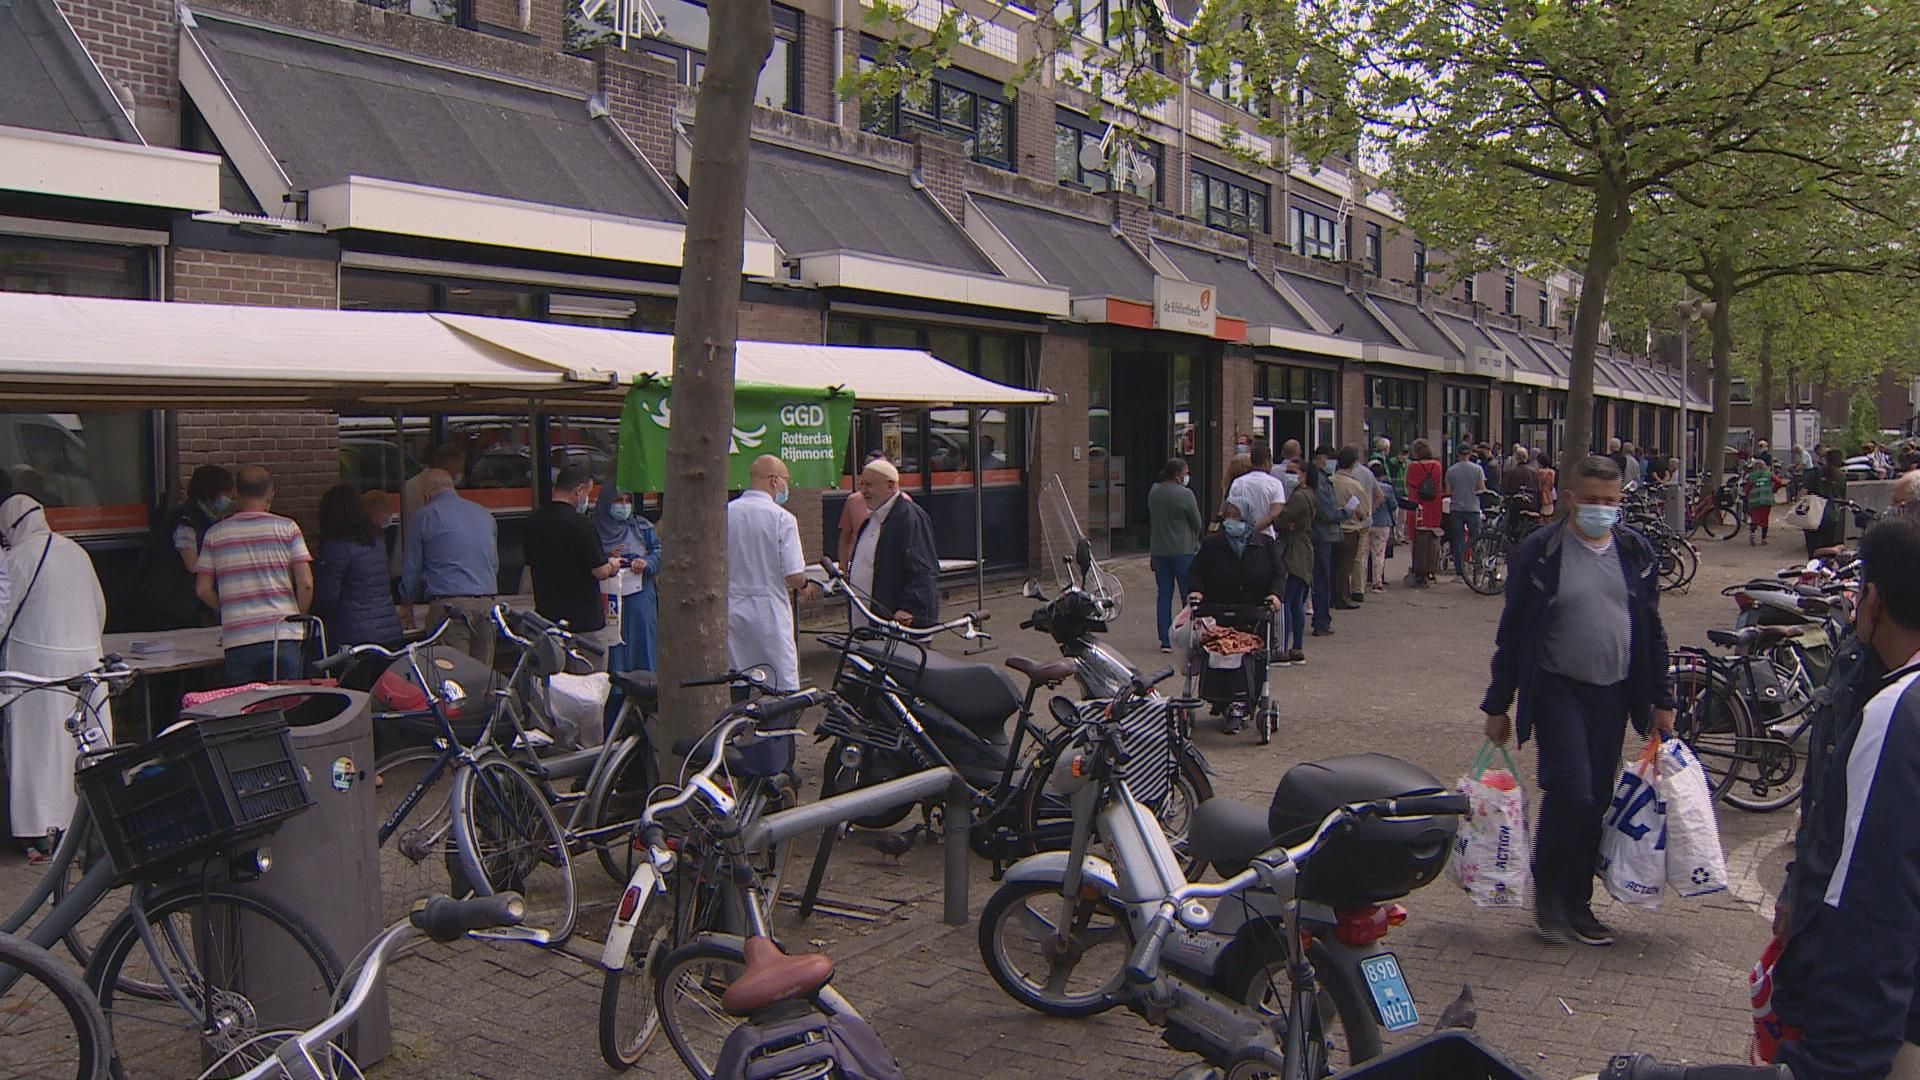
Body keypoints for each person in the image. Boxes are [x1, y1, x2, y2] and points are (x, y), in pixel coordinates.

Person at [1481, 455, 1675, 947]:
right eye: (1593, 502)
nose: (1603, 511)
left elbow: (1651, 629)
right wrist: (1497, 704)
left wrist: (1661, 700)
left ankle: (1579, 902)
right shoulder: (1542, 552)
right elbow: (1514, 631)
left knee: (1599, 799)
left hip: (1613, 690)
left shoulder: (1635, 552)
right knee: (1571, 790)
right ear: (1570, 500)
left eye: (1612, 502)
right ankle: (1550, 899)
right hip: (1557, 688)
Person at [1770, 515, 1920, 1079]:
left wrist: (1835, 1061)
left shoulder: (1895, 715)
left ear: (1873, 599)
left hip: (1892, 1025)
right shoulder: (1871, 682)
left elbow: (1874, 906)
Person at [0, 495, 110, 854]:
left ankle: (38, 831)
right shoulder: (77, 552)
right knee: (77, 747)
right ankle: (83, 826)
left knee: (38, 751)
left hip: (35, 669)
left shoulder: (16, 559)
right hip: (85, 664)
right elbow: (99, 608)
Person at [196, 466, 314, 683]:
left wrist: (228, 607)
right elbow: (305, 583)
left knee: (246, 711)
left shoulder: (215, 535)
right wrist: (297, 616)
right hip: (282, 635)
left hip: (239, 640)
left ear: (236, 494)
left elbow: (202, 589)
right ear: (271, 494)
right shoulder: (288, 528)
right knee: (286, 706)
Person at [1186, 497, 1284, 733]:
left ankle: (1242, 702)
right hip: (1219, 611)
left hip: (1254, 614)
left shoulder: (1265, 544)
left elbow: (1279, 574)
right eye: (1228, 518)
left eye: (1238, 519)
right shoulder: (1212, 545)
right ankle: (1221, 699)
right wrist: (1196, 591)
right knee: (1216, 651)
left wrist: (1275, 595)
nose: (1232, 523)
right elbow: (1195, 572)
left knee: (1250, 655)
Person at [728, 455, 817, 691]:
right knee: (780, 681)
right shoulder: (782, 519)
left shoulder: (726, 513)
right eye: (787, 480)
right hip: (769, 610)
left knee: (737, 679)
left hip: (732, 608)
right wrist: (806, 585)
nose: (787, 487)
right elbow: (793, 575)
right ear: (775, 480)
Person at [399, 468, 499, 663]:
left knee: (453, 678)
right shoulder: (484, 514)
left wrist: (406, 603)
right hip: (487, 607)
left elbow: (412, 568)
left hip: (449, 609)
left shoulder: (423, 517)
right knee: (483, 680)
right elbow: (493, 564)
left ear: (425, 495)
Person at [523, 466, 621, 661]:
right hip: (585, 623)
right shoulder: (581, 524)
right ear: (579, 490)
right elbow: (599, 571)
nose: (588, 499)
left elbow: (529, 564)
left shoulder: (533, 521)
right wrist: (613, 565)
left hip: (548, 617)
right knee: (589, 684)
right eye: (588, 493)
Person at [311, 484, 404, 650]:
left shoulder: (335, 547)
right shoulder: (376, 541)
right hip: (388, 630)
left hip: (353, 636)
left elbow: (327, 600)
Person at [142, 464, 234, 629]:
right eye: (225, 493)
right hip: (171, 600)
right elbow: (191, 564)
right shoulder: (185, 519)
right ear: (211, 491)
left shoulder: (207, 520)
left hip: (184, 602)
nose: (228, 499)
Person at [849, 458, 939, 627]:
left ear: (890, 485)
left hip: (897, 623)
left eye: (869, 485)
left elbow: (923, 568)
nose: (863, 491)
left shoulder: (909, 517)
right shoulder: (872, 519)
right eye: (861, 485)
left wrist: (909, 607)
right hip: (869, 620)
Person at [594, 480, 661, 676]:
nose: (623, 505)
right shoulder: (594, 530)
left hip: (640, 599)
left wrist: (646, 563)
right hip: (610, 600)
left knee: (643, 645)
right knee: (614, 648)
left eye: (627, 501)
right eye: (617, 501)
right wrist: (606, 559)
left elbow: (658, 551)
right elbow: (588, 559)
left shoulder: (642, 527)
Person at [1149, 458, 1203, 653]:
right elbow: (1197, 522)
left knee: (1163, 594)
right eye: (1186, 472)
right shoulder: (1186, 495)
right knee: (1188, 595)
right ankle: (1186, 634)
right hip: (1183, 550)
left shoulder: (1154, 492)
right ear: (1179, 474)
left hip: (1159, 550)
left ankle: (1165, 639)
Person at [393, 444, 466, 580]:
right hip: (425, 568)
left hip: (405, 561)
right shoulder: (438, 489)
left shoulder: (411, 483)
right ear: (448, 469)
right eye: (458, 470)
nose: (459, 475)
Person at [1273, 460, 1315, 665]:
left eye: (1293, 472)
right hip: (1304, 548)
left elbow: (1281, 519)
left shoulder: (1298, 497)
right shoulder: (1309, 495)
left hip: (1294, 550)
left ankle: (1282, 649)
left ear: (1304, 475)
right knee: (1297, 601)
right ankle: (1296, 647)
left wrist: (1281, 519)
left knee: (1286, 600)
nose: (1289, 475)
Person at [1308, 446, 1344, 635]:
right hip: (1321, 535)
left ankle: (1321, 618)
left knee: (1318, 578)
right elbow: (1326, 511)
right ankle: (1321, 620)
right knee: (1322, 577)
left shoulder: (1318, 478)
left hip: (1316, 534)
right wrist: (1346, 513)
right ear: (1322, 458)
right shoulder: (1319, 481)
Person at [1342, 446, 1381, 603]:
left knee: (1343, 557)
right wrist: (1371, 509)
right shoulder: (1367, 473)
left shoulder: (1343, 475)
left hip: (1347, 518)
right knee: (1359, 556)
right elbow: (1379, 495)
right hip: (1365, 520)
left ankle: (1343, 587)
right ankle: (1358, 589)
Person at [1331, 447, 1369, 609]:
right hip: (1349, 530)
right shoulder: (1355, 486)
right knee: (1345, 567)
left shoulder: (1328, 481)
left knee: (1332, 566)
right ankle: (1343, 597)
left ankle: (1331, 596)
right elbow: (1364, 511)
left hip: (1331, 528)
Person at [1404, 439, 1445, 587]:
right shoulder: (1437, 466)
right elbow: (1439, 485)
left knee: (1416, 538)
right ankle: (1431, 569)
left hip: (1417, 505)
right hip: (1434, 505)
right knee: (1432, 537)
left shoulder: (1412, 467)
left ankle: (1418, 569)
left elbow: (1408, 485)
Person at [1227, 442, 1288, 537]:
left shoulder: (1238, 482)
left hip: (1241, 536)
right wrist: (1254, 529)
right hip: (1265, 536)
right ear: (1267, 462)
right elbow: (1275, 513)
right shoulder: (1275, 484)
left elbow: (1230, 509)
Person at [1445, 444, 1487, 580]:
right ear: (1469, 454)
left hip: (1457, 508)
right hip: (1473, 508)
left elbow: (1448, 492)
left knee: (1458, 541)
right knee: (1476, 539)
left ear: (1457, 454)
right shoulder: (1478, 469)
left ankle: (1460, 572)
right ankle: (1478, 569)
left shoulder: (1451, 470)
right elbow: (1482, 489)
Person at [1803, 448, 1849, 558]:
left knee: (1813, 548)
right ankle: (1826, 569)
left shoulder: (1815, 472)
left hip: (1813, 513)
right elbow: (1842, 494)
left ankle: (1813, 568)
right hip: (1831, 514)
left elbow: (1804, 492)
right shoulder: (1841, 476)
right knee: (1829, 548)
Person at [1745, 456, 1778, 547]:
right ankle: (1763, 539)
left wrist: (1747, 495)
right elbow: (1779, 482)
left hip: (1754, 500)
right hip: (1766, 499)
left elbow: (1747, 488)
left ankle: (1752, 533)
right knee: (1765, 519)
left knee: (1755, 518)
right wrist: (1773, 489)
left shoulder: (1752, 475)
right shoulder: (1769, 474)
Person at [1535, 449, 1559, 520]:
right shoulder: (1552, 473)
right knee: (1548, 519)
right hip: (1550, 497)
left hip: (1539, 498)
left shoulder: (1538, 473)